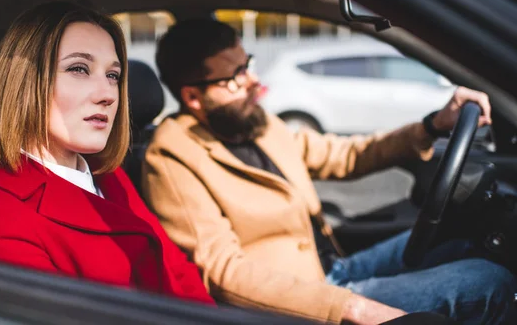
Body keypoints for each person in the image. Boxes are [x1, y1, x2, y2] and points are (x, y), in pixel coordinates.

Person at [141, 19, 516, 324]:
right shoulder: (172, 158)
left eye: (248, 63)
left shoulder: (255, 124)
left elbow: (343, 154)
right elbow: (224, 272)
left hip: (334, 267)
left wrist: (432, 125)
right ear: (193, 97)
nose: (253, 80)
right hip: (305, 303)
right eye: (236, 75)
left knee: (464, 235)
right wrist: (349, 307)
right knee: (488, 282)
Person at [0, 2, 214, 305]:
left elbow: (177, 271)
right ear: (24, 84)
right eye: (79, 69)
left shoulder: (108, 175)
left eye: (113, 75)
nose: (107, 94)